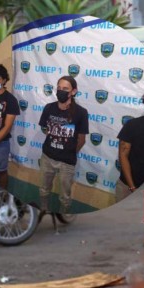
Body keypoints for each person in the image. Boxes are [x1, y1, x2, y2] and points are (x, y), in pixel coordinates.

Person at [39, 76, 88, 214]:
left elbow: (82, 140)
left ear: (73, 91)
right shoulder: (49, 108)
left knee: (65, 196)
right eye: (59, 88)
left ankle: (64, 216)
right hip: (47, 156)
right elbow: (46, 129)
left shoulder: (81, 112)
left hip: (67, 161)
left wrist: (70, 152)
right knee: (43, 188)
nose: (60, 91)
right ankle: (43, 211)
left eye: (65, 89)